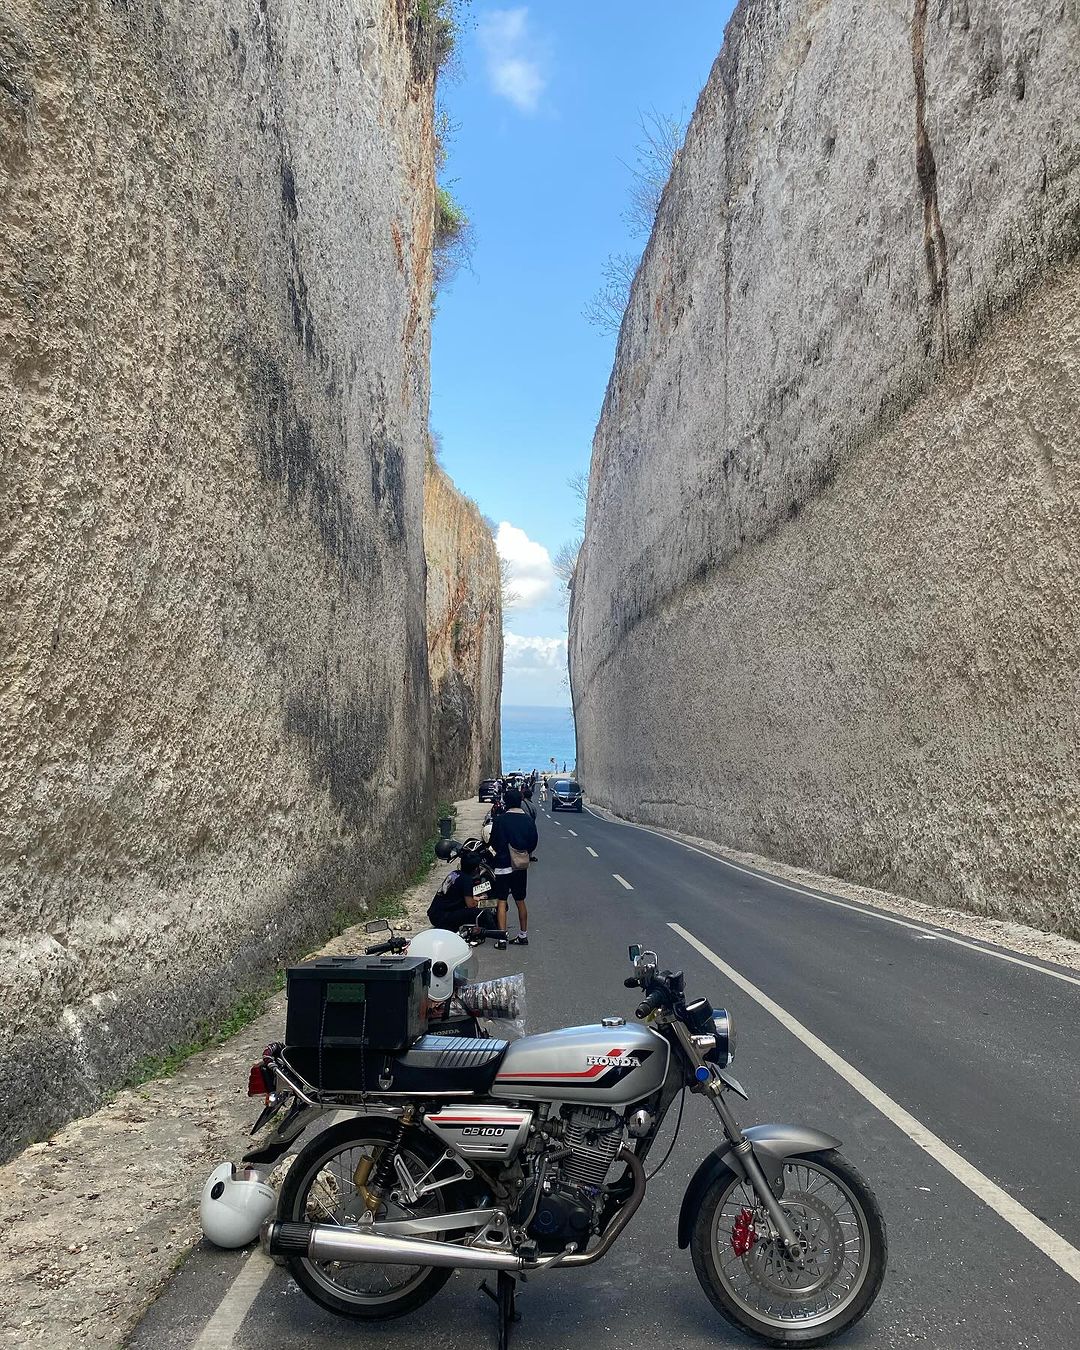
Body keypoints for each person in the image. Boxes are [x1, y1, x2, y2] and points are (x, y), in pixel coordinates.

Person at [488, 787, 538, 946]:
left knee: (501, 900)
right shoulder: (528, 820)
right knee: (520, 900)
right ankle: (523, 935)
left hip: (502, 865)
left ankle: (502, 938)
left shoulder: (500, 820)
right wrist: (523, 852)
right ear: (520, 801)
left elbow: (493, 842)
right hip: (519, 866)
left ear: (506, 802)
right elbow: (533, 842)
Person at [427, 842, 497, 934]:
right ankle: (493, 932)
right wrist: (486, 903)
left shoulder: (455, 873)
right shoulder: (467, 880)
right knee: (478, 912)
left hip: (434, 913)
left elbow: (455, 894)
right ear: (476, 869)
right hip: (443, 918)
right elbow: (470, 904)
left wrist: (476, 898)